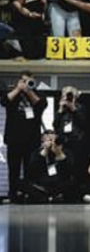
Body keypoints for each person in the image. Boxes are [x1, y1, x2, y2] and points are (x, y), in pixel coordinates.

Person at [1, 72, 43, 202]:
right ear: (19, 81)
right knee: (13, 169)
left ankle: (29, 194)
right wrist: (18, 89)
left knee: (30, 170)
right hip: (14, 140)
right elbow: (4, 101)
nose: (26, 83)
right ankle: (13, 195)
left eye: (29, 81)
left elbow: (40, 105)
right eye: (23, 80)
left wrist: (29, 91)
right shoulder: (13, 93)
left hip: (31, 140)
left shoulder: (37, 94)